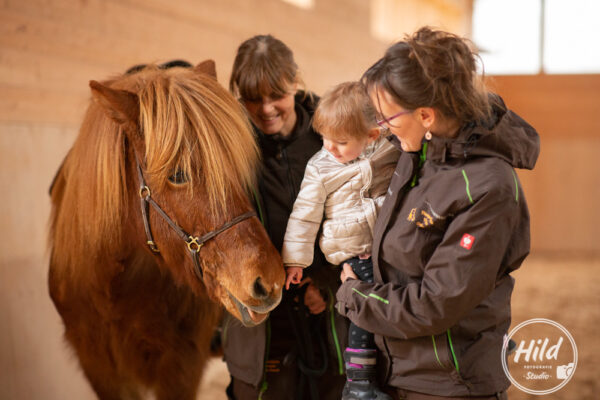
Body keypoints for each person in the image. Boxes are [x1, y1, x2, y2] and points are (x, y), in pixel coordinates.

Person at [334, 27, 540, 399]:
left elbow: (434, 304)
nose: (383, 128)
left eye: (388, 118)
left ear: (426, 115)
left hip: (448, 384)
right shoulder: (418, 156)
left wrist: (354, 295)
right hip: (399, 374)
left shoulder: (488, 186)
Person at [224, 34, 348, 400]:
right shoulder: (228, 148)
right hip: (260, 326)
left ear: (295, 83)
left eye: (275, 95)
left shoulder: (336, 137)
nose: (265, 109)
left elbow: (360, 220)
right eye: (252, 98)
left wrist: (325, 283)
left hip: (331, 321)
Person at [281, 81, 398, 400]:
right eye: (325, 138)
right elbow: (304, 215)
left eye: (341, 141)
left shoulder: (391, 149)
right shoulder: (320, 167)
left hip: (389, 252)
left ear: (371, 136)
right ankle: (359, 383)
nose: (330, 147)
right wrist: (295, 260)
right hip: (354, 253)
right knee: (361, 316)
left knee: (410, 301)